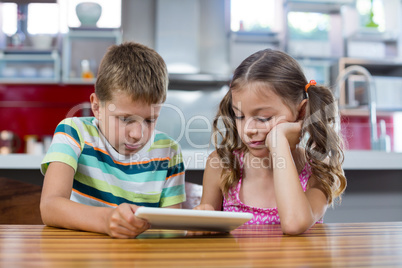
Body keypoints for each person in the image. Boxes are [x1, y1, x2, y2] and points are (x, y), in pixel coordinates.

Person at [40, 42, 186, 238]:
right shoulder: (73, 133)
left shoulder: (168, 151)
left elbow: (170, 231)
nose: (137, 134)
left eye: (150, 120)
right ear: (97, 107)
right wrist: (106, 220)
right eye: (125, 119)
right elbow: (50, 207)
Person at [195, 49, 347, 235]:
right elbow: (205, 232)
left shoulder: (317, 168)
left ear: (300, 113)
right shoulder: (221, 165)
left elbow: (294, 224)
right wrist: (202, 220)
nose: (249, 129)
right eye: (240, 116)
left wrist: (278, 142)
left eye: (264, 118)